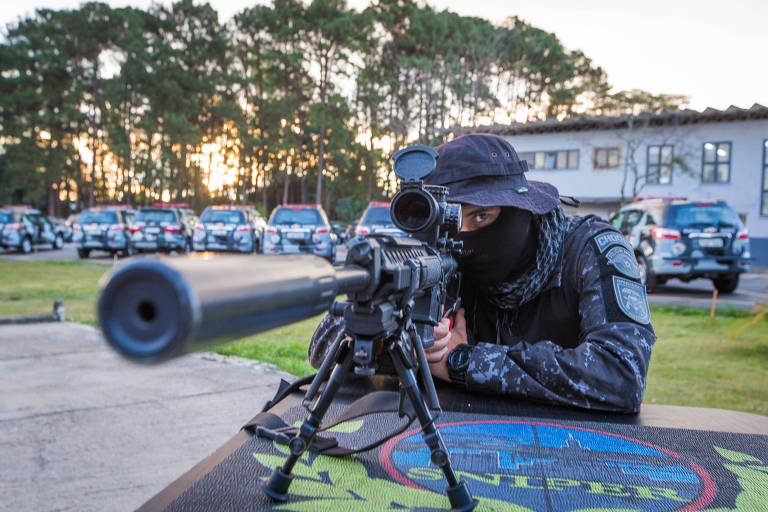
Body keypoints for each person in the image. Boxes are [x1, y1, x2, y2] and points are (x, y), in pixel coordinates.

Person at [309, 133, 655, 413]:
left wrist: (462, 362)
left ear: (523, 209)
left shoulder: (591, 249)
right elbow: (324, 345)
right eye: (452, 220)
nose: (464, 235)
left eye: (481, 217)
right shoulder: (434, 257)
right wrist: (399, 344)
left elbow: (620, 374)